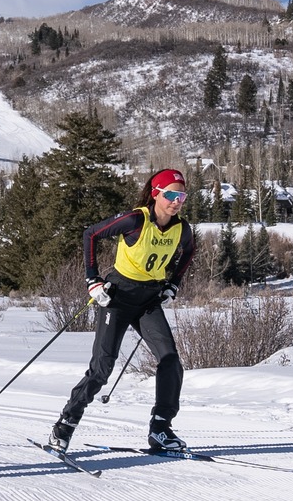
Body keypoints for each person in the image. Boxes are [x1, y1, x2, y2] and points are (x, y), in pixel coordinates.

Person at [49, 168, 196, 455]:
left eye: (182, 195)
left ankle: (161, 429)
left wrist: (173, 284)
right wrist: (92, 280)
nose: (177, 201)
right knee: (102, 367)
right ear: (156, 194)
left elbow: (188, 252)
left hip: (149, 300)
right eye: (171, 195)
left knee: (171, 361)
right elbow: (90, 234)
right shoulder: (135, 220)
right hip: (116, 298)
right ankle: (66, 423)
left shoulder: (182, 229)